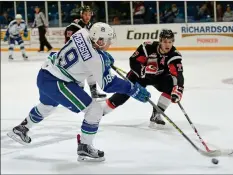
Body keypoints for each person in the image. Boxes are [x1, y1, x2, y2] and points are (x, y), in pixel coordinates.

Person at [7, 22, 151, 162]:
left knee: (47, 106)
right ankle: (85, 146)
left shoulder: (82, 33)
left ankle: (21, 128)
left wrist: (102, 58)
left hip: (45, 73)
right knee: (94, 110)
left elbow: (87, 50)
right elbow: (107, 84)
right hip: (58, 82)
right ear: (99, 41)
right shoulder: (96, 59)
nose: (109, 44)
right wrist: (132, 89)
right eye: (107, 40)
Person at [101, 29, 185, 129]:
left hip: (160, 77)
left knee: (171, 87)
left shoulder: (174, 55)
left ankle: (157, 114)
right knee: (124, 92)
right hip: (139, 76)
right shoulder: (147, 47)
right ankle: (102, 111)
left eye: (170, 42)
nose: (168, 45)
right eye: (165, 41)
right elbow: (133, 61)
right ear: (160, 41)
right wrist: (144, 70)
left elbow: (178, 74)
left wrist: (178, 89)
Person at [65, 6, 106, 99]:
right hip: (77, 54)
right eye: (85, 14)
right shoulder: (75, 25)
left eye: (89, 14)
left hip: (86, 53)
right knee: (80, 73)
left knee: (91, 71)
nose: (87, 17)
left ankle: (94, 92)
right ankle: (79, 94)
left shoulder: (91, 25)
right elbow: (69, 40)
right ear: (81, 15)